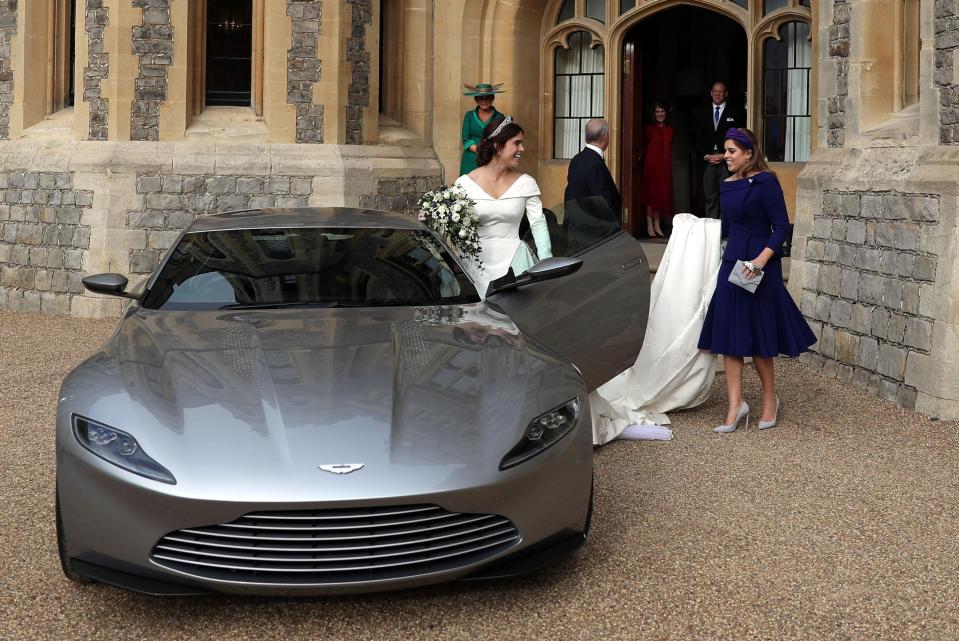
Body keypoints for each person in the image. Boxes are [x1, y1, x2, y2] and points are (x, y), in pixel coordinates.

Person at [697, 127, 816, 433]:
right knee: (729, 335)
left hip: (761, 265)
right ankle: (736, 405)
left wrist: (761, 260)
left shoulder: (766, 182)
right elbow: (730, 227)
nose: (726, 156)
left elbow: (780, 227)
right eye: (725, 151)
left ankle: (769, 400)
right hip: (733, 262)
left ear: (749, 153)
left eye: (732, 151)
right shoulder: (725, 185)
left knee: (760, 338)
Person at [455, 116, 552, 297]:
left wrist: (547, 263)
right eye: (516, 143)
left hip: (517, 266)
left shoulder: (526, 183)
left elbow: (538, 224)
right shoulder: (464, 184)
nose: (522, 149)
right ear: (497, 146)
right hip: (474, 268)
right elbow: (452, 229)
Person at [692, 81, 745, 219]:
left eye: (720, 91)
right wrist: (705, 155)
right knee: (710, 196)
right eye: (715, 91)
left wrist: (726, 155)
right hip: (707, 160)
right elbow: (696, 136)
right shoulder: (701, 111)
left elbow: (740, 136)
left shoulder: (736, 112)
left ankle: (724, 227)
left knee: (727, 195)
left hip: (727, 160)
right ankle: (712, 227)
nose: (717, 94)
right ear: (711, 93)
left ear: (725, 93)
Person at [563, 118, 622, 216]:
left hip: (575, 224)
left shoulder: (575, 159)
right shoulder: (596, 164)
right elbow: (603, 201)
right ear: (605, 136)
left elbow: (569, 194)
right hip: (593, 227)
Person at [640, 101, 674, 238]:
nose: (660, 114)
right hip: (652, 166)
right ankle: (649, 225)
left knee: (661, 196)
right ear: (653, 114)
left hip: (664, 166)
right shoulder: (648, 129)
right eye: (657, 112)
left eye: (662, 111)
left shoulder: (670, 129)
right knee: (651, 195)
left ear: (666, 113)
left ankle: (657, 224)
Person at [460, 83, 505, 176]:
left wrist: (488, 152)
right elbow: (466, 138)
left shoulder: (500, 117)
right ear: (476, 99)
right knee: (468, 186)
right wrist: (479, 150)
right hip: (471, 158)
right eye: (481, 98)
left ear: (492, 98)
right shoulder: (469, 115)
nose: (484, 101)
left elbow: (502, 139)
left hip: (492, 157)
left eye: (487, 97)